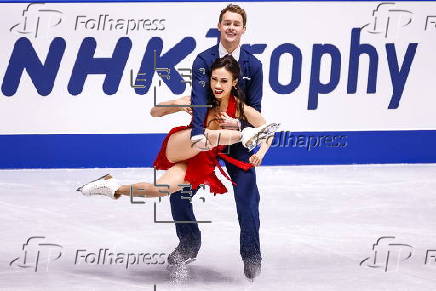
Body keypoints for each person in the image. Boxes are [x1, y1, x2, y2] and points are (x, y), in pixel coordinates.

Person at [77, 56, 277, 200]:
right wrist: (176, 103)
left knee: (158, 190)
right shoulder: (199, 99)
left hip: (202, 159)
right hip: (182, 144)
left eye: (223, 81)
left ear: (234, 83)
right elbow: (154, 112)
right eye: (214, 79)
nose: (217, 84)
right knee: (209, 135)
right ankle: (244, 136)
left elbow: (269, 129)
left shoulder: (242, 108)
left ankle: (112, 186)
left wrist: (262, 152)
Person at [166, 4, 265, 281]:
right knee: (179, 191)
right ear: (219, 26)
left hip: (236, 143)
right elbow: (198, 100)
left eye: (236, 23)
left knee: (247, 199)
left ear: (243, 29)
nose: (231, 27)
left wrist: (241, 126)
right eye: (227, 23)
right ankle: (188, 241)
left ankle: (251, 254)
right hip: (206, 138)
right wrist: (198, 135)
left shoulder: (253, 66)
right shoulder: (202, 61)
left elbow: (255, 109)